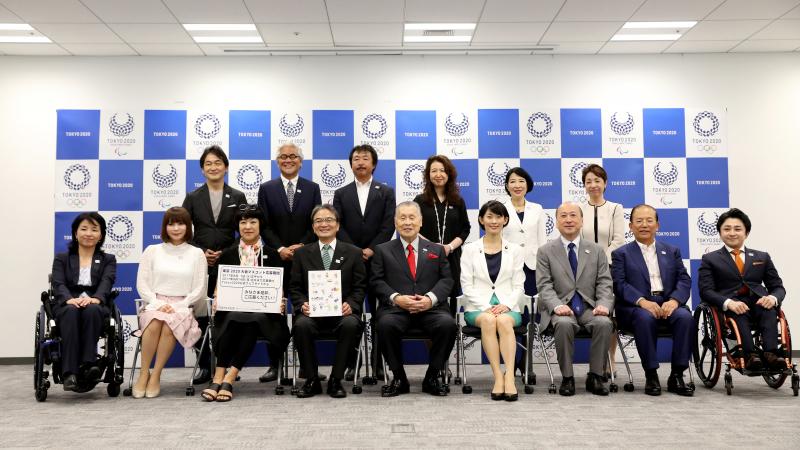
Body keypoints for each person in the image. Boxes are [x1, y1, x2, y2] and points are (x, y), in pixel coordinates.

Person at [201, 205, 290, 402]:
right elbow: (216, 286)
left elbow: (281, 288)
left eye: (252, 222)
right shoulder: (227, 254)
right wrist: (217, 298)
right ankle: (222, 376)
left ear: (260, 225)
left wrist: (280, 301)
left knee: (252, 319)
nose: (247, 226)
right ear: (238, 226)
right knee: (237, 318)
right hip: (230, 312)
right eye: (243, 222)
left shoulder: (273, 255)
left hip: (266, 315)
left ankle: (225, 377)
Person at [371, 201, 457, 397]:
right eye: (402, 218)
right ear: (395, 222)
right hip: (396, 309)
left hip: (431, 309)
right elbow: (376, 281)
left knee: (447, 325)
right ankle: (399, 378)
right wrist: (397, 298)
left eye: (412, 218)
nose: (407, 222)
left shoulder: (436, 249)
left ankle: (432, 377)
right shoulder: (382, 250)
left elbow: (447, 280)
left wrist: (430, 299)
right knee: (384, 325)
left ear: (420, 222)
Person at [611, 204, 694, 396]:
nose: (644, 225)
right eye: (638, 221)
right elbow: (620, 284)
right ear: (630, 226)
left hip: (667, 303)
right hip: (636, 307)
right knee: (644, 318)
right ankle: (651, 374)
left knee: (685, 318)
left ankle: (677, 375)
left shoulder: (671, 251)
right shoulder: (621, 254)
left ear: (657, 225)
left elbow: (684, 279)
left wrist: (674, 301)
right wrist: (642, 301)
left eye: (649, 221)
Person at [182, 145, 247, 385]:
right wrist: (201, 253)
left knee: (227, 316)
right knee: (199, 316)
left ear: (226, 167)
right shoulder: (193, 197)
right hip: (199, 264)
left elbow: (246, 229)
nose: (213, 167)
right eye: (208, 163)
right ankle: (204, 364)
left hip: (230, 263)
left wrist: (227, 253)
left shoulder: (237, 196)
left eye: (218, 163)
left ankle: (227, 365)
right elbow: (182, 230)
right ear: (202, 169)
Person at [256, 143, 321, 382]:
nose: (288, 160)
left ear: (301, 161)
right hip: (276, 259)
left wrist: (302, 247)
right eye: (283, 157)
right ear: (277, 161)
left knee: (307, 312)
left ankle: (307, 367)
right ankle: (275, 366)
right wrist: (281, 248)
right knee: (275, 314)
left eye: (293, 156)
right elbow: (264, 225)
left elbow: (317, 222)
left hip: (306, 260)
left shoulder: (312, 188)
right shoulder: (267, 188)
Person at [536, 202, 614, 396]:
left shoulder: (596, 250)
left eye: (573, 216)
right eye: (563, 216)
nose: (568, 220)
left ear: (581, 221)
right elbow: (544, 286)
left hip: (590, 308)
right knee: (562, 324)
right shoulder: (545, 251)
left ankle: (595, 376)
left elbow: (605, 283)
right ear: (556, 222)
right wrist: (556, 306)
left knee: (604, 323)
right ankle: (567, 378)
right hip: (561, 308)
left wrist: (604, 304)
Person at [290, 205, 366, 398]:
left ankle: (336, 379)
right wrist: (301, 305)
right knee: (301, 325)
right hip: (312, 313)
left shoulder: (353, 252)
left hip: (343, 312)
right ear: (313, 227)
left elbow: (360, 286)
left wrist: (352, 304)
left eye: (329, 220)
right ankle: (312, 379)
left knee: (350, 324)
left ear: (338, 225)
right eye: (319, 221)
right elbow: (295, 288)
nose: (324, 224)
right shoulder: (301, 254)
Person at [332, 144, 395, 380]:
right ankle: (352, 363)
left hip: (379, 260)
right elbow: (338, 225)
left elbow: (389, 225)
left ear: (374, 164)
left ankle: (378, 363)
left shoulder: (386, 191)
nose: (360, 162)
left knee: (380, 315)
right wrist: (356, 251)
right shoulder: (341, 192)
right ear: (350, 164)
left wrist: (372, 250)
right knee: (351, 313)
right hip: (350, 262)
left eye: (365, 158)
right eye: (356, 158)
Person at [698, 208, 786, 372]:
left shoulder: (762, 257)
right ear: (720, 232)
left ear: (746, 232)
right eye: (727, 229)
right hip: (732, 303)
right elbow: (706, 291)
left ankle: (771, 354)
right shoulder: (710, 259)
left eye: (737, 229)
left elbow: (777, 287)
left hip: (759, 301)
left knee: (768, 309)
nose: (732, 233)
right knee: (739, 311)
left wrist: (773, 298)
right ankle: (749, 355)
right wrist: (728, 303)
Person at [132, 207, 206, 398]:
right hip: (155, 302)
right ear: (165, 227)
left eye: (180, 223)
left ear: (188, 226)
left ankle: (156, 375)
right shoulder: (152, 250)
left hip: (183, 305)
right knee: (155, 321)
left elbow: (199, 287)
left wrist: (180, 305)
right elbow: (142, 283)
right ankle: (143, 373)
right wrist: (157, 303)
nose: (176, 228)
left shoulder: (197, 253)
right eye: (171, 224)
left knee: (168, 326)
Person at [460, 201, 525, 401]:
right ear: (481, 220)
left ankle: (510, 379)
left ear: (505, 220)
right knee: (489, 320)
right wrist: (486, 307)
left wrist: (506, 305)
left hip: (509, 306)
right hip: (478, 308)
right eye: (489, 216)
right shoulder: (470, 249)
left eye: (498, 217)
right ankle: (498, 376)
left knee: (504, 321)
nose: (494, 221)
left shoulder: (514, 249)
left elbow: (519, 285)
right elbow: (466, 285)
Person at [51, 212, 116, 392]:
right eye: (84, 229)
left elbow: (107, 281)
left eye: (94, 230)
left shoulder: (108, 259)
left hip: (95, 301)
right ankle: (69, 373)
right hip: (68, 302)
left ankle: (89, 364)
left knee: (93, 310)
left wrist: (97, 298)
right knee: (71, 312)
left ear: (101, 235)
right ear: (75, 233)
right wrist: (69, 299)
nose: (89, 233)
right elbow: (58, 283)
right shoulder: (62, 258)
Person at [579, 163, 626, 377]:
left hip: (611, 267)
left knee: (610, 313)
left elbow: (619, 240)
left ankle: (611, 358)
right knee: (591, 311)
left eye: (597, 181)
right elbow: (577, 240)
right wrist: (589, 263)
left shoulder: (616, 208)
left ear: (605, 183)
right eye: (588, 181)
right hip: (583, 270)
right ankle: (596, 361)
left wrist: (602, 261)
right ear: (584, 185)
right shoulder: (578, 209)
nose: (593, 185)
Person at [413, 155, 470, 316]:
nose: (438, 174)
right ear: (428, 175)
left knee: (450, 301)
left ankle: (449, 337)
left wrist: (449, 247)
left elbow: (465, 229)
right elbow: (413, 229)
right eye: (434, 171)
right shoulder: (420, 200)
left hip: (452, 258)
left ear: (449, 174)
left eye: (442, 170)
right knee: (428, 300)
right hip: (426, 257)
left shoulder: (458, 201)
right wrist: (433, 247)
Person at [501, 167, 546, 296]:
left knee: (533, 304)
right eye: (513, 181)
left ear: (527, 185)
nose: (517, 185)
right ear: (507, 186)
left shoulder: (537, 208)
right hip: (509, 265)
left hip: (532, 265)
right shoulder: (500, 208)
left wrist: (543, 265)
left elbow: (542, 240)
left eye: (521, 181)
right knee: (513, 305)